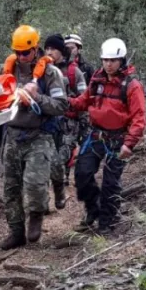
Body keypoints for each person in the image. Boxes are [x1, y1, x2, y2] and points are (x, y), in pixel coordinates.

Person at [0, 25, 69, 250]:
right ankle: (16, 231)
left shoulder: (51, 74)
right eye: (17, 53)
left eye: (25, 53)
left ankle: (37, 214)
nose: (21, 57)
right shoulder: (8, 69)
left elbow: (61, 105)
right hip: (12, 134)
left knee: (36, 184)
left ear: (35, 49)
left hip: (39, 135)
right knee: (10, 188)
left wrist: (37, 98)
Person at [68, 38, 146, 236]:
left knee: (111, 183)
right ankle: (93, 210)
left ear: (122, 60)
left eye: (113, 61)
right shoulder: (97, 79)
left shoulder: (131, 85)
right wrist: (65, 104)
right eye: (105, 60)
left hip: (118, 139)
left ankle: (107, 222)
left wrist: (129, 144)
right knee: (82, 174)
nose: (108, 64)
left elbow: (139, 117)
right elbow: (84, 101)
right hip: (95, 135)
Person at [44, 34, 86, 206]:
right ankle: (44, 199)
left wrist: (85, 126)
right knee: (45, 159)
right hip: (47, 123)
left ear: (62, 51)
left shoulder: (74, 72)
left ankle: (59, 189)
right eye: (47, 48)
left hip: (69, 124)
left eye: (53, 49)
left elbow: (84, 99)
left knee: (60, 160)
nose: (49, 52)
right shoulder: (41, 70)